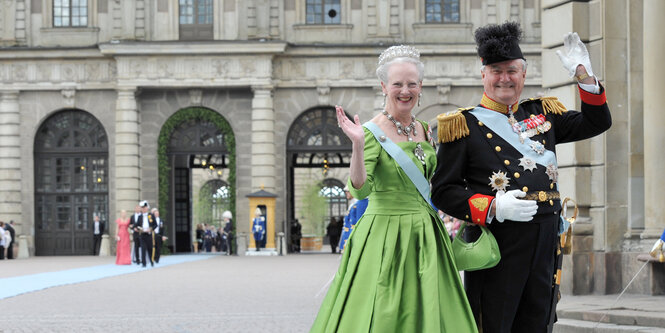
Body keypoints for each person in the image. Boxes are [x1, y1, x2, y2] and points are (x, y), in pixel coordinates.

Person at [431, 22, 611, 333]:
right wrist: (493, 207)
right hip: (499, 245)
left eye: (512, 70)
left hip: (544, 242)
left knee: (538, 321)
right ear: (483, 74)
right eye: (496, 70)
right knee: (495, 322)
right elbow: (443, 191)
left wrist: (585, 76)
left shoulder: (543, 112)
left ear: (523, 74)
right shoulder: (463, 125)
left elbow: (597, 123)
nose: (505, 78)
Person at [311, 45, 477, 332]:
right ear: (383, 86)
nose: (405, 90)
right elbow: (360, 190)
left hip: (427, 234)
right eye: (397, 84)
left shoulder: (424, 128)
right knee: (383, 310)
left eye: (412, 84)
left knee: (430, 307)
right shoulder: (371, 132)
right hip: (385, 234)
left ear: (420, 87)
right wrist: (358, 146)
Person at [338, 186, 369, 253]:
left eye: (348, 191)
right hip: (349, 234)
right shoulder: (354, 204)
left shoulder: (361, 203)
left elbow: (359, 222)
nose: (346, 193)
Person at [136, 200, 157, 267]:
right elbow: (136, 225)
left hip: (149, 234)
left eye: (144, 208)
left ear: (147, 208)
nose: (143, 209)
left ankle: (151, 261)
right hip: (142, 235)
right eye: (142, 208)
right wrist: (138, 228)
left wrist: (151, 229)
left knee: (150, 249)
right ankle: (143, 263)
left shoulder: (151, 216)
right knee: (143, 249)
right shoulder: (140, 217)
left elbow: (155, 225)